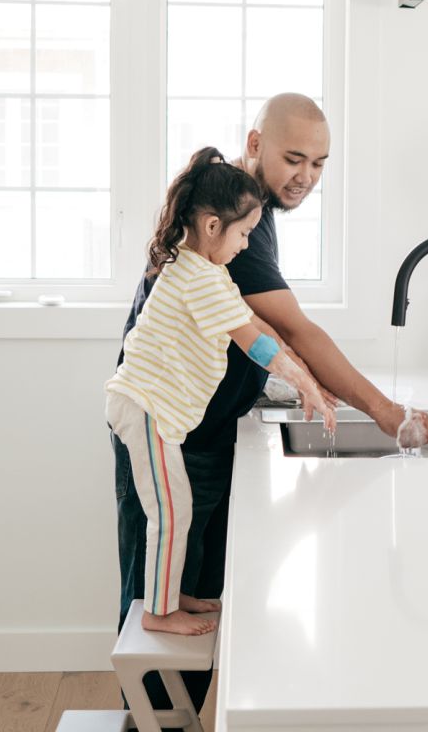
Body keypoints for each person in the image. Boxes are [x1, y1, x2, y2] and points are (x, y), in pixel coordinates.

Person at [113, 95, 428, 707]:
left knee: (198, 601)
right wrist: (386, 413)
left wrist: (292, 385)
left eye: (320, 163)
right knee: (159, 601)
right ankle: (151, 721)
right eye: (294, 158)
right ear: (256, 143)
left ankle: (169, 717)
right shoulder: (238, 221)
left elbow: (244, 332)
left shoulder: (244, 212)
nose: (307, 177)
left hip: (199, 428)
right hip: (168, 428)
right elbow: (290, 335)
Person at [105, 147, 336, 636]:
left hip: (155, 410)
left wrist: (308, 381)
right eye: (245, 234)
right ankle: (158, 611)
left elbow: (254, 323)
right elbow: (256, 344)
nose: (248, 244)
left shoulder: (206, 272)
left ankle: (172, 595)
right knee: (170, 513)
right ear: (212, 227)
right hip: (144, 408)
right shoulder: (200, 279)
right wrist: (305, 384)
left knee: (177, 510)